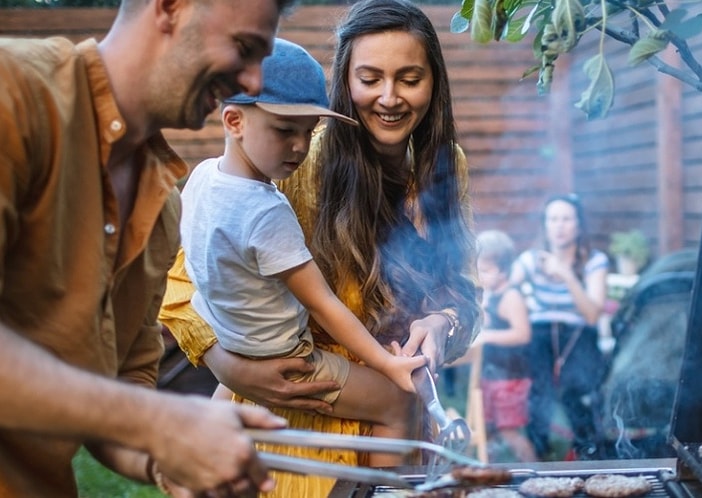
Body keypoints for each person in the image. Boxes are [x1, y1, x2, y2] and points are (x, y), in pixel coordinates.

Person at [159, 0, 481, 495]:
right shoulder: (295, 156)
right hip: (295, 428)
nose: (389, 97)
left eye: (409, 78)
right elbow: (186, 283)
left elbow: (464, 292)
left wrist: (443, 324)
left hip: (395, 430)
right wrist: (233, 367)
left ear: (433, 82)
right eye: (370, 78)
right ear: (344, 81)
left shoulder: (445, 164)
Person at [0, 0, 295, 496]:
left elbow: (123, 385)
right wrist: (157, 420)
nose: (251, 83)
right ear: (171, 7)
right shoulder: (16, 93)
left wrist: (171, 457)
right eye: (244, 49)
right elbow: (136, 411)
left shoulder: (162, 203)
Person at [180, 37, 429, 464]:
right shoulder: (265, 211)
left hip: (233, 339)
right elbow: (323, 305)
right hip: (288, 359)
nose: (299, 146)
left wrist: (227, 356)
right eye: (284, 130)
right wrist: (389, 367)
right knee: (397, 404)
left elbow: (203, 267)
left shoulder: (202, 178)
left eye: (309, 131)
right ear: (234, 120)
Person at [509, 193, 610, 461]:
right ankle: (540, 453)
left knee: (579, 390)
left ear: (578, 225)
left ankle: (589, 452)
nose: (559, 225)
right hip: (540, 332)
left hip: (578, 333)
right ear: (545, 224)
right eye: (553, 219)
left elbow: (591, 315)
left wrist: (567, 275)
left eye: (566, 219)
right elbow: (504, 285)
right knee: (539, 392)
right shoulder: (531, 259)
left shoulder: (594, 261)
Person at [471, 230, 537, 463]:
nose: (480, 276)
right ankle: (489, 474)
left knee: (509, 432)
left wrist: (488, 336)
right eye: (478, 269)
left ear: (504, 271)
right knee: (488, 428)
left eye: (486, 271)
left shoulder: (511, 297)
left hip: (510, 378)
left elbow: (522, 334)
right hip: (491, 374)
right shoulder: (490, 294)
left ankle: (536, 472)